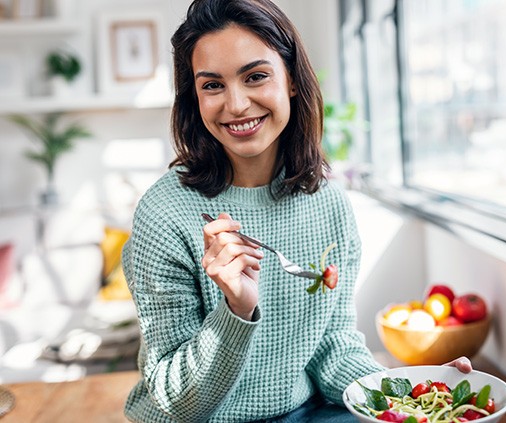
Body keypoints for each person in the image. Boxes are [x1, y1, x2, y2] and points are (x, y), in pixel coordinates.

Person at [122, 0, 472, 421]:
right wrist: (235, 310)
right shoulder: (164, 216)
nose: (235, 105)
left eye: (255, 76)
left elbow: (332, 348)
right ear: (194, 97)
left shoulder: (328, 205)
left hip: (301, 412)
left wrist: (407, 396)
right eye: (212, 85)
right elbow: (176, 404)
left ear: (291, 80)